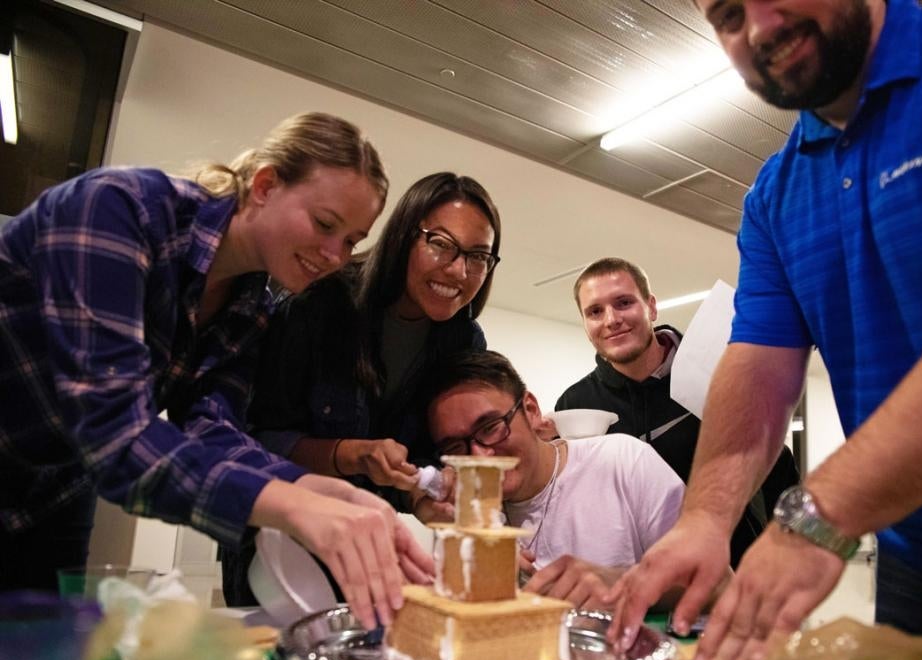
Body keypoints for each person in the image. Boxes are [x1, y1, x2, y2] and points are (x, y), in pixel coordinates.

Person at [608, 0, 922, 660]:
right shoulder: (774, 197)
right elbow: (758, 370)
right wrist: (704, 519)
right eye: (727, 16)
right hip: (919, 567)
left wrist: (815, 517)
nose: (759, 28)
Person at [0, 112, 433, 629]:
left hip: (58, 489)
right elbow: (116, 437)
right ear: (267, 185)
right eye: (325, 225)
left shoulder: (251, 304)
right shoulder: (117, 209)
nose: (335, 255)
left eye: (351, 241)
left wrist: (317, 490)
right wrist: (293, 509)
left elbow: (212, 430)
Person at [221, 172, 502, 604]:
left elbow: (426, 460)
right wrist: (352, 454)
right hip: (279, 543)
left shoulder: (463, 341)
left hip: (368, 543)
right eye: (441, 244)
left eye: (479, 256)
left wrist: (428, 496)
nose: (460, 271)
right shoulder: (317, 304)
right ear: (405, 236)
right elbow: (257, 441)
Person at [556, 257, 799, 564]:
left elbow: (776, 468)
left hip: (733, 578)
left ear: (652, 307)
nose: (611, 319)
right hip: (631, 588)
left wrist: (795, 554)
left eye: (623, 302)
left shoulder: (716, 371)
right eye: (595, 311)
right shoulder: (574, 404)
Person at [425, 350, 685, 610]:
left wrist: (622, 583)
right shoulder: (462, 513)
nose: (481, 457)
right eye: (457, 447)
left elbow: (717, 584)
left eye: (491, 427)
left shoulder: (623, 461)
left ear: (531, 409)